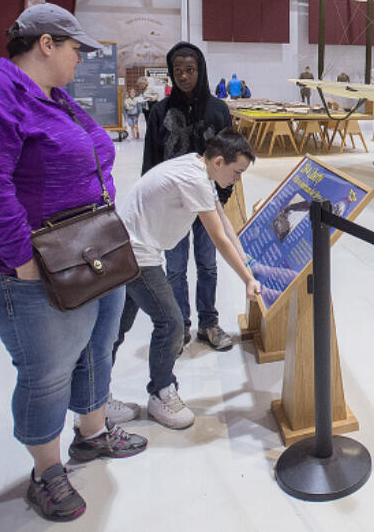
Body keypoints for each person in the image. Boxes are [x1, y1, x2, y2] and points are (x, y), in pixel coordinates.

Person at [0, 3, 146, 523]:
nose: (81, 59)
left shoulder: (53, 98)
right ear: (46, 44)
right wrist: (23, 263)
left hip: (88, 252)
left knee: (97, 346)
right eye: (76, 49)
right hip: (29, 266)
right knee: (48, 370)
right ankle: (45, 470)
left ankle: (92, 434)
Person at [112, 129, 263, 428]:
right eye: (237, 172)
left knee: (116, 327)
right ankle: (161, 392)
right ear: (219, 161)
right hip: (137, 253)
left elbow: (223, 220)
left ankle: (94, 401)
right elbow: (218, 237)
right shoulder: (194, 178)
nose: (237, 180)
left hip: (128, 247)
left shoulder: (199, 168)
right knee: (171, 323)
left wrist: (246, 259)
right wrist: (247, 279)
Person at [143, 42, 237, 350]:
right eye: (178, 71)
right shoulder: (160, 112)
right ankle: (180, 325)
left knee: (208, 264)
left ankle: (208, 323)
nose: (184, 76)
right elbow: (151, 160)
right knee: (175, 268)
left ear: (201, 70)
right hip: (172, 207)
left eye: (190, 70)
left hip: (208, 204)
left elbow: (231, 154)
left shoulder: (218, 110)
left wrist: (222, 196)